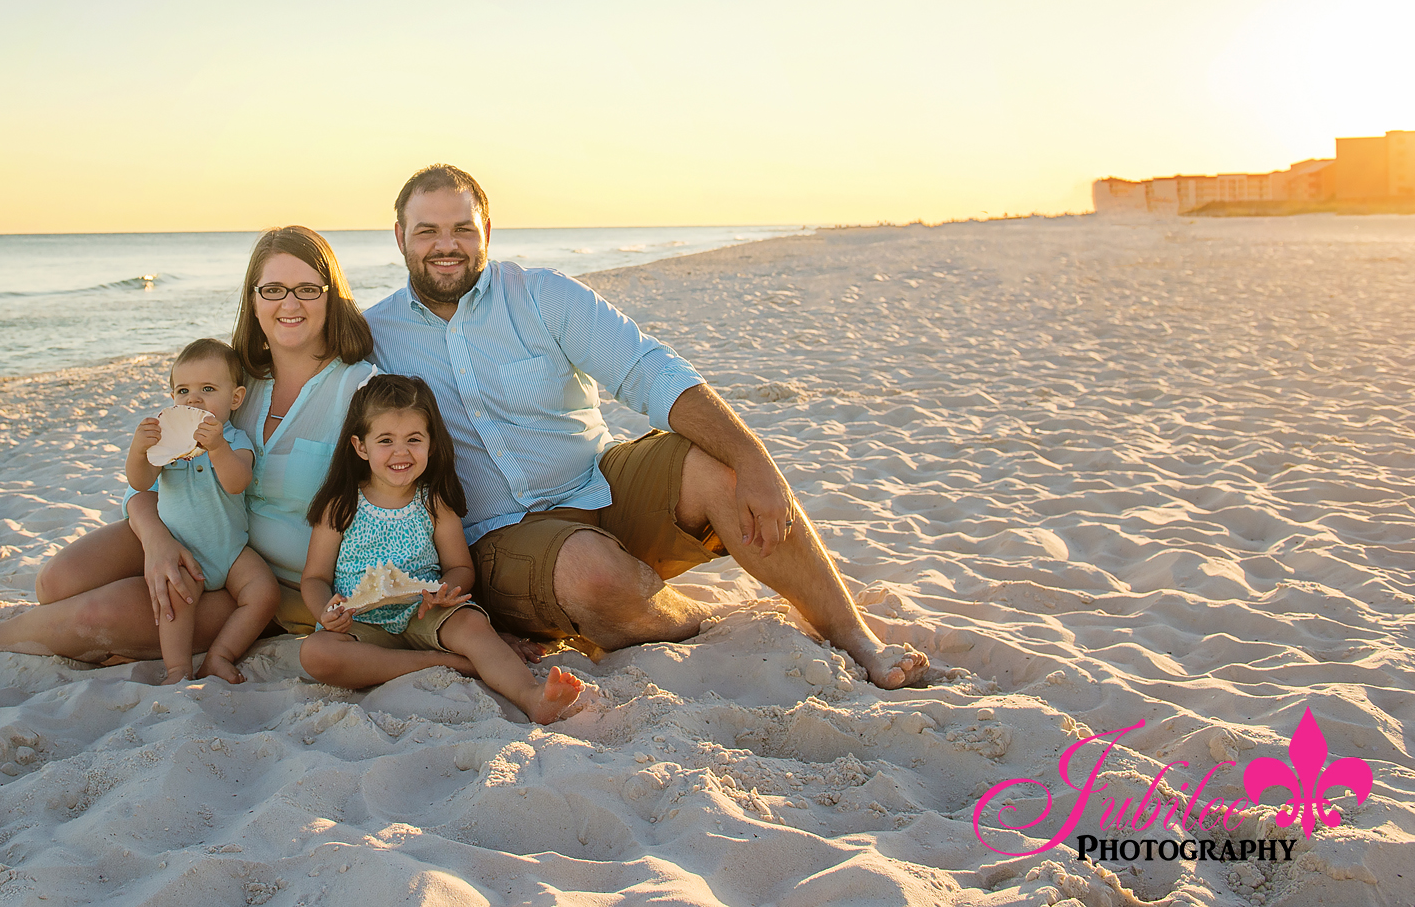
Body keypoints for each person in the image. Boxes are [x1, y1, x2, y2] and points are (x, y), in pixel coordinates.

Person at [364, 164, 931, 689]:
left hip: (598, 483)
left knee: (719, 467)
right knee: (594, 574)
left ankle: (855, 636)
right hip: (496, 535)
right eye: (427, 231)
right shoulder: (374, 338)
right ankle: (693, 620)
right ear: (398, 237)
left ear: (486, 227)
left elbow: (646, 370)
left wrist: (753, 456)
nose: (446, 245)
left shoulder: (541, 295)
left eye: (462, 227)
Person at [0, 226, 374, 664]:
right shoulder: (229, 383)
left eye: (308, 288)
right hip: (189, 529)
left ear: (331, 296)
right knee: (56, 582)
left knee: (94, 613)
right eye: (274, 289)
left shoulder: (359, 389)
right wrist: (157, 541)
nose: (290, 304)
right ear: (253, 298)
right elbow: (155, 478)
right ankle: (122, 635)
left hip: (266, 585)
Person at [298, 374, 591, 723]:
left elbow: (460, 568)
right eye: (385, 440)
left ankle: (531, 697)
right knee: (315, 653)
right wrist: (325, 613)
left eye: (414, 439)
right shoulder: (341, 505)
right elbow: (314, 577)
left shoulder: (433, 503)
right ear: (361, 447)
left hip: (425, 613)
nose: (401, 452)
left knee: (471, 626)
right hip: (360, 624)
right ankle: (446, 662)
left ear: (431, 444)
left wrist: (446, 591)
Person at [121, 338, 279, 682]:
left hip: (231, 551)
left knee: (265, 594)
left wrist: (217, 447)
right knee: (176, 601)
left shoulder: (234, 440)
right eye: (182, 391)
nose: (193, 399)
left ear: (235, 398)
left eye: (207, 389)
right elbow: (140, 480)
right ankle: (177, 669)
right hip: (183, 553)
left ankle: (221, 655)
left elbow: (237, 481)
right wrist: (138, 451)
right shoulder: (167, 442)